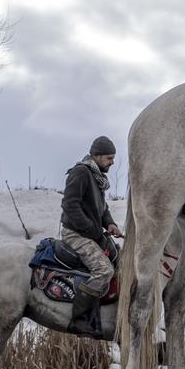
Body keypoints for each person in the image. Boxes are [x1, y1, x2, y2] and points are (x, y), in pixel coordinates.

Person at [60, 135, 122, 336]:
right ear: (96, 156)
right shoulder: (80, 173)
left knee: (119, 259)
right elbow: (69, 205)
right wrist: (91, 229)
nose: (112, 162)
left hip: (90, 233)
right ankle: (80, 319)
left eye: (112, 158)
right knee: (104, 270)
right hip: (75, 234)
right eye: (109, 158)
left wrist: (110, 223)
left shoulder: (97, 177)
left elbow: (102, 209)